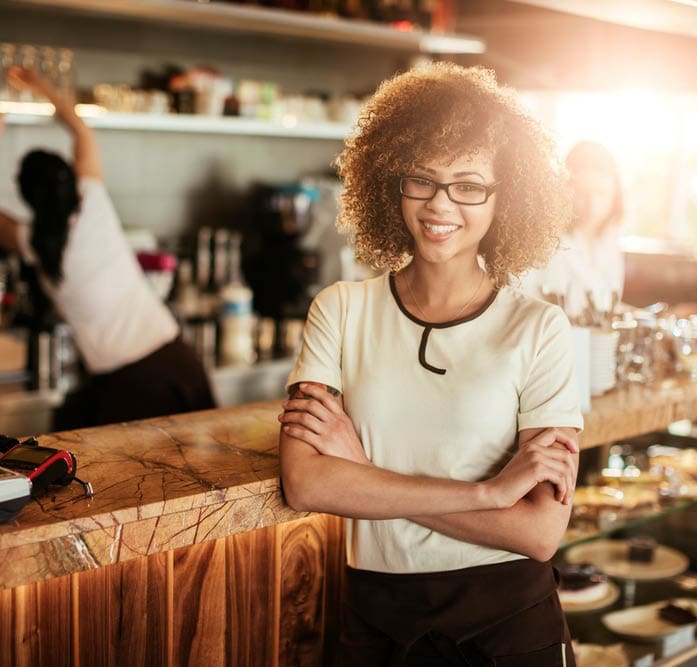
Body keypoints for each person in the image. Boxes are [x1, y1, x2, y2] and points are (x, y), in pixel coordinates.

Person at [277, 62, 583, 666]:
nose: (441, 204)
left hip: (510, 627)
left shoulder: (540, 329)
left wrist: (365, 473)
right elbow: (306, 482)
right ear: (393, 183)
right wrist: (490, 493)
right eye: (423, 179)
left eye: (469, 185)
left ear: (506, 197)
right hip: (375, 624)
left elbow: (539, 532)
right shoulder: (340, 310)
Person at [0, 66, 215, 427]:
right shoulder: (92, 202)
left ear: (27, 197)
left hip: (133, 385)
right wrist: (41, 85)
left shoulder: (31, 242)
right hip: (175, 361)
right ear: (69, 177)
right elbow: (81, 129)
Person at [521, 140, 625, 319]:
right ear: (565, 189)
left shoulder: (609, 242)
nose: (593, 205)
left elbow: (605, 305)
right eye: (583, 193)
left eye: (602, 193)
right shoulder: (543, 242)